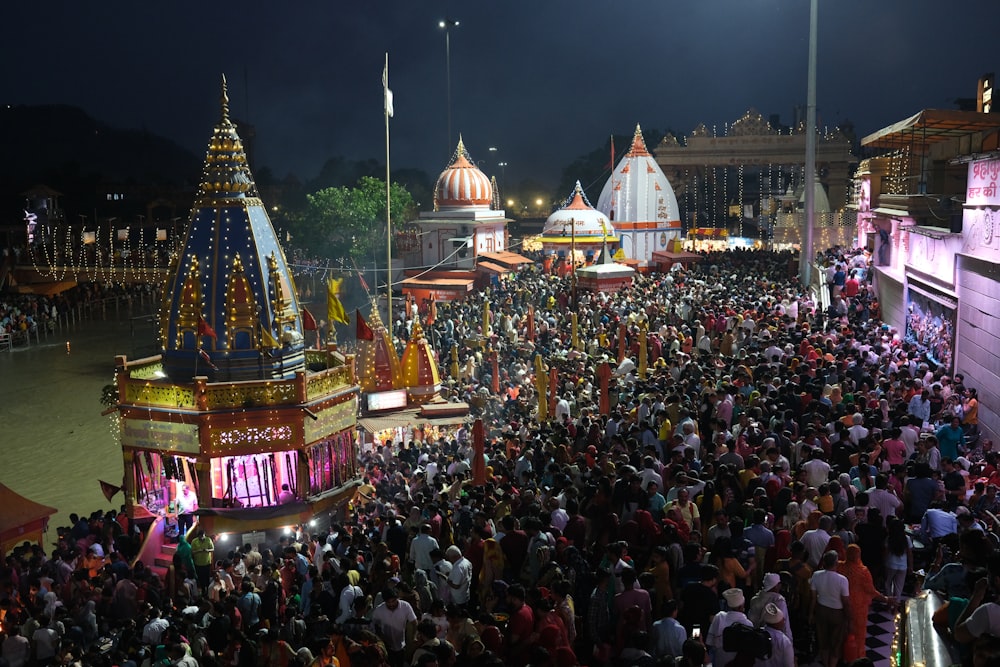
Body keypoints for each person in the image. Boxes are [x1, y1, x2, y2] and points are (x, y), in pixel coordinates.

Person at [839, 544, 889, 662]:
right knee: (859, 636)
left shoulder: (839, 567)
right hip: (858, 609)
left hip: (841, 605)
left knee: (843, 633)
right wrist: (886, 599)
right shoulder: (863, 571)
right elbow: (871, 591)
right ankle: (857, 660)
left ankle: (843, 657)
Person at [810, 551, 850, 667]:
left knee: (823, 642)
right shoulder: (842, 579)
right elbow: (846, 602)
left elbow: (813, 598)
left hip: (821, 611)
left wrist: (811, 614)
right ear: (836, 562)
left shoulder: (816, 575)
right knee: (836, 643)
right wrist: (849, 618)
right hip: (837, 614)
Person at [371, 588, 417, 667]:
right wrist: (381, 638)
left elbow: (414, 622)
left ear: (397, 598)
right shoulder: (379, 610)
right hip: (386, 646)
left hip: (401, 645)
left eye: (393, 601)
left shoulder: (405, 606)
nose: (391, 604)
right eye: (388, 602)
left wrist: (414, 636)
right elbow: (374, 625)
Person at [706, 588, 751, 667]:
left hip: (719, 662)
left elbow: (710, 643)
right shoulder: (748, 624)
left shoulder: (719, 617)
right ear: (741, 606)